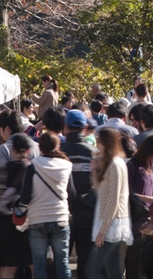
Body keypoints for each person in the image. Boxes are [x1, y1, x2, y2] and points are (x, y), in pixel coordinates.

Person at [18, 132, 74, 279]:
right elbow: (72, 194)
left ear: (40, 148)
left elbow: (25, 197)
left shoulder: (33, 166)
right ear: (58, 146)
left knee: (39, 267)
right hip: (60, 217)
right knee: (63, 264)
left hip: (37, 219)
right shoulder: (67, 165)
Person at [87, 128, 133, 279]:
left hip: (112, 225)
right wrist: (94, 174)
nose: (97, 146)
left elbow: (113, 200)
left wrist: (102, 230)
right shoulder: (113, 163)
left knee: (94, 270)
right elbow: (100, 193)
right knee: (113, 271)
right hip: (113, 223)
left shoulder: (114, 164)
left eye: (100, 142)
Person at [61, 110, 96, 279]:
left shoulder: (58, 151)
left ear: (65, 127)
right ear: (86, 128)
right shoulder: (94, 153)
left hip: (62, 214)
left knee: (60, 264)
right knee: (85, 264)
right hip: (88, 215)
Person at [0, 133, 32, 279]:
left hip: (5, 226)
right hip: (26, 223)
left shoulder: (3, 170)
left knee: (8, 269)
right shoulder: (32, 170)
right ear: (28, 151)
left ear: (12, 150)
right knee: (34, 265)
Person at [125, 136, 153, 279]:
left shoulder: (150, 167)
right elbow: (126, 193)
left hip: (149, 220)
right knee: (133, 261)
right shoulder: (132, 166)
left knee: (146, 262)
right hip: (135, 219)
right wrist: (147, 198)